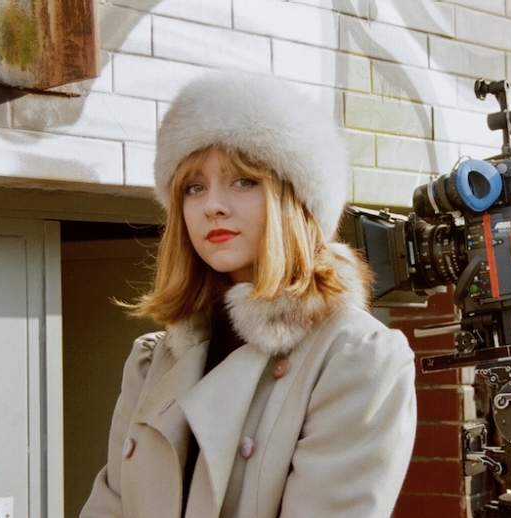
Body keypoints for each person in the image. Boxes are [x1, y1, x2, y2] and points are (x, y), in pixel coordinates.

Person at [80, 71, 417, 518]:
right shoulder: (152, 361)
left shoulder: (355, 356)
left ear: (294, 199)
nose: (212, 205)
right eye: (194, 187)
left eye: (244, 181)